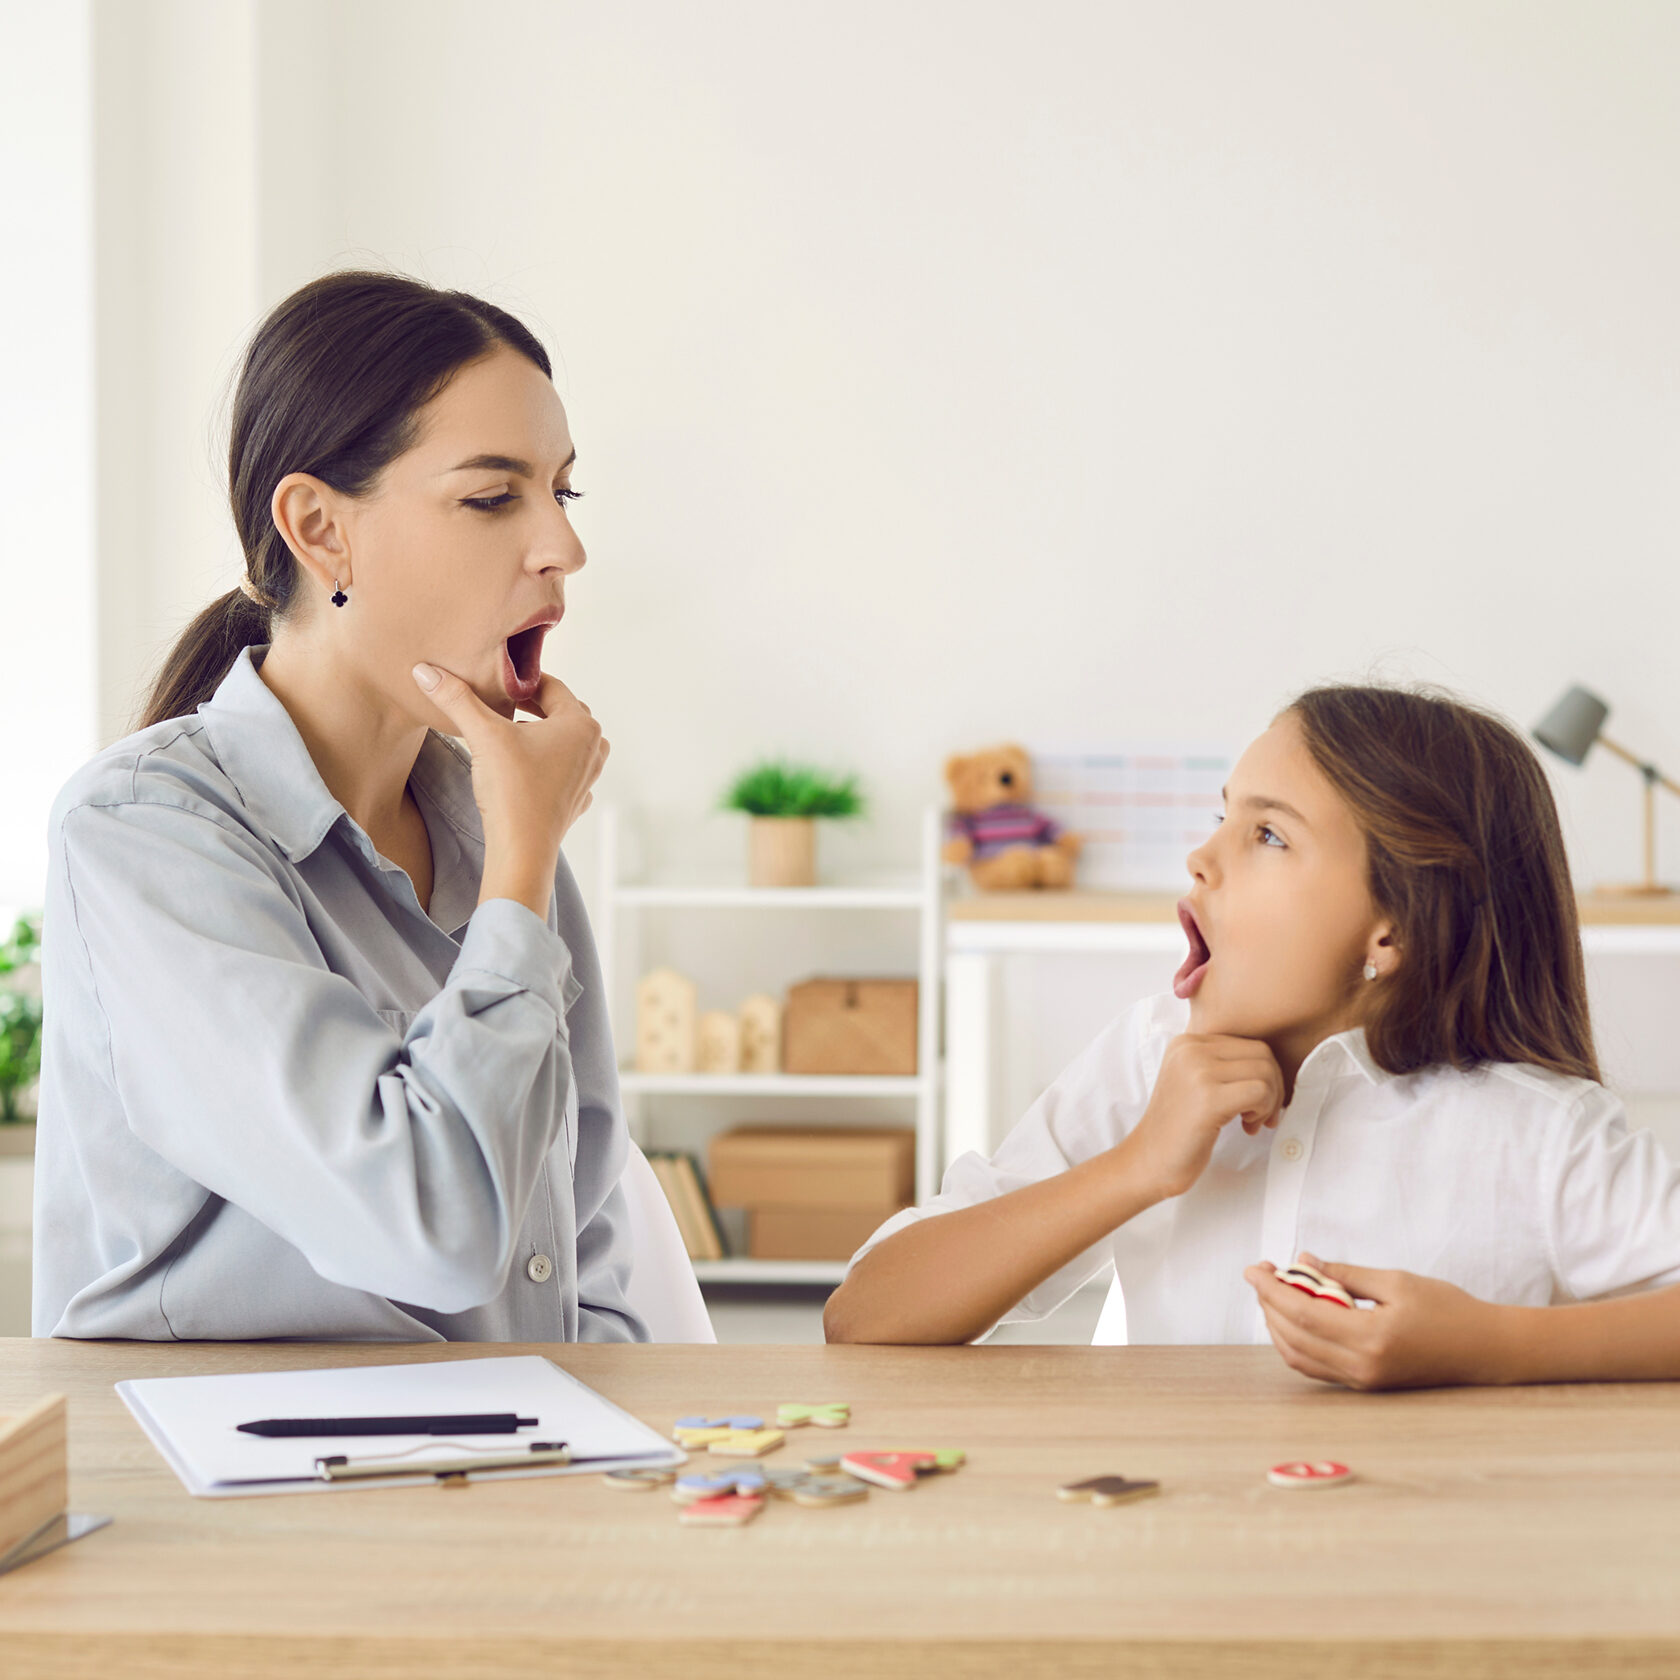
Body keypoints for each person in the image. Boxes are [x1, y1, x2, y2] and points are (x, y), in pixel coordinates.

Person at [34, 270, 646, 1343]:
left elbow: (576, 1255)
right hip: (247, 1492)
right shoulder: (143, 835)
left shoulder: (496, 830)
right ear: (321, 531)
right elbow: (434, 1230)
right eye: (493, 496)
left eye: (564, 491)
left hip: (509, 1473)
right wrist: (522, 868)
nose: (563, 547)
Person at [825, 685, 1680, 1386]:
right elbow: (865, 1316)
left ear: (1392, 929)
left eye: (1267, 834)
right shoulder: (1148, 1059)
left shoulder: (1541, 1131)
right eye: (1222, 817)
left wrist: (1490, 1347)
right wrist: (1136, 1167)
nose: (1201, 856)